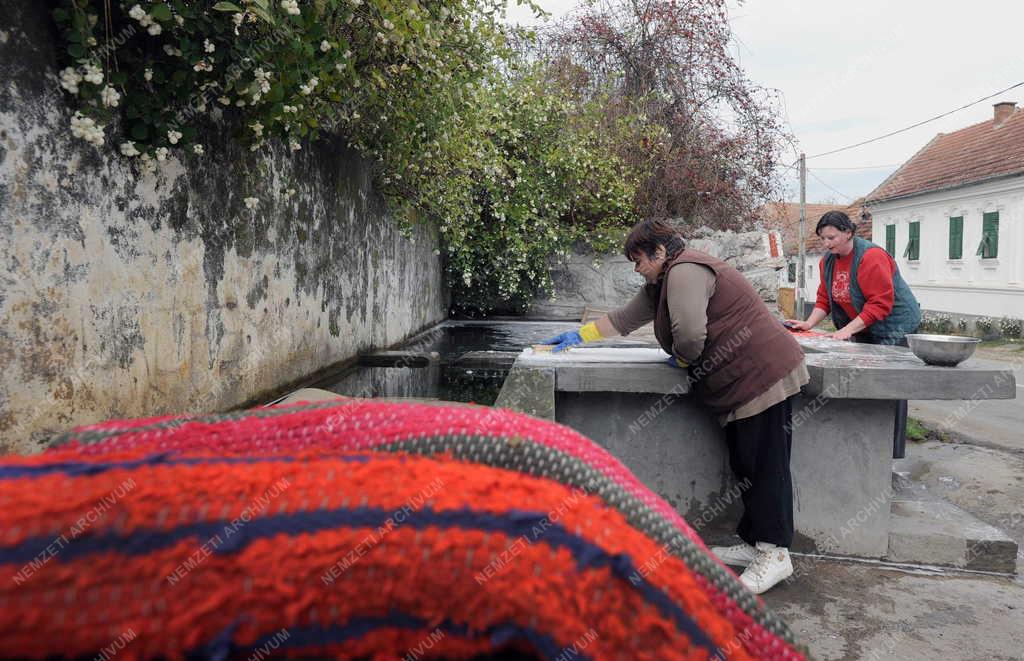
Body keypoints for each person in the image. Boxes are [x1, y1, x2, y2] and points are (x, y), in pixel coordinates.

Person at [543, 219, 809, 594]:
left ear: (661, 252)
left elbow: (689, 333)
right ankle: (755, 545)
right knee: (746, 461)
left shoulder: (685, 271)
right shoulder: (661, 282)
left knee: (765, 464)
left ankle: (776, 555)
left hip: (761, 376)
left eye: (639, 260)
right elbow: (624, 319)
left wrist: (684, 359)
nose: (637, 269)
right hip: (742, 381)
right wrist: (578, 336)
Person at [786, 210, 921, 457]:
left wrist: (847, 331)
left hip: (895, 326)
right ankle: (863, 446)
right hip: (864, 324)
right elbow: (824, 299)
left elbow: (880, 304)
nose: (827, 244)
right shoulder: (828, 261)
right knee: (862, 379)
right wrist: (808, 324)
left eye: (832, 238)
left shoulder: (871, 257)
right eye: (823, 239)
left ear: (848, 233)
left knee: (891, 385)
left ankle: (891, 452)